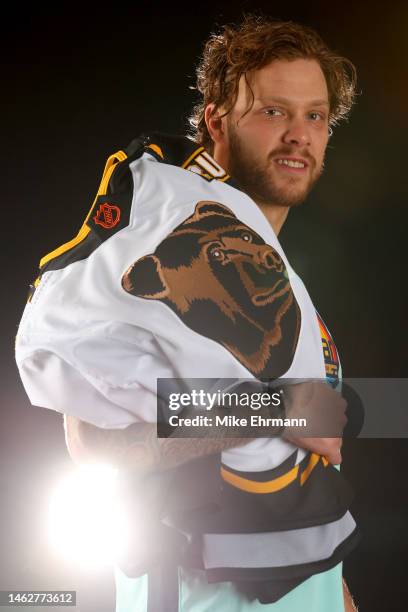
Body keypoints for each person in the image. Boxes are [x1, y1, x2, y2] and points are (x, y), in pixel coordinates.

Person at [16, 15, 359, 612]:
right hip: (195, 590)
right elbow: (94, 442)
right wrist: (276, 406)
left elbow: (313, 468)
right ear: (216, 123)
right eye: (273, 111)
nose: (299, 134)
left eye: (315, 115)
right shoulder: (151, 240)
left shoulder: (280, 283)